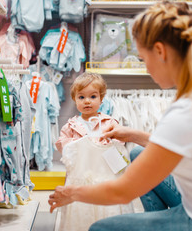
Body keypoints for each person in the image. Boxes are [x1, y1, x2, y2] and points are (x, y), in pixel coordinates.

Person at [49, 0, 192, 231]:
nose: (147, 69)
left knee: (102, 228)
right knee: (138, 153)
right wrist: (131, 134)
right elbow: (177, 147)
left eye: (144, 59)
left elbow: (122, 192)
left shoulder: (187, 109)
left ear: (161, 51)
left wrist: (71, 193)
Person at [55, 72, 134, 231]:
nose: (87, 101)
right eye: (81, 97)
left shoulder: (110, 124)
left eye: (93, 96)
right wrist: (81, 145)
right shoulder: (70, 126)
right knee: (81, 213)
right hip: (81, 177)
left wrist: (106, 143)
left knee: (106, 211)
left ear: (101, 98)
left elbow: (120, 147)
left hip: (106, 176)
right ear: (75, 99)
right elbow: (63, 146)